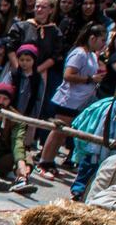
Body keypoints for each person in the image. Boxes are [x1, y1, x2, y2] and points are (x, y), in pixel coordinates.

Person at [38, 23, 106, 173]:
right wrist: (90, 79)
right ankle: (44, 161)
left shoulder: (92, 55)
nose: (104, 44)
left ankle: (50, 160)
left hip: (79, 101)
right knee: (58, 131)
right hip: (68, 100)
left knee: (63, 133)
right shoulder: (80, 53)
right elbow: (68, 75)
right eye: (102, 40)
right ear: (92, 38)